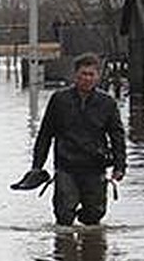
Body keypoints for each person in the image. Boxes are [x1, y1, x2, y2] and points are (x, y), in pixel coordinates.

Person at [29, 52, 126, 226]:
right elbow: (45, 134)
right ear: (75, 75)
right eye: (83, 74)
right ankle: (64, 249)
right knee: (64, 214)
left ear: (97, 76)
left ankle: (90, 245)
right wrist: (37, 166)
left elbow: (117, 136)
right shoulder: (59, 100)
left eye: (91, 74)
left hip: (95, 166)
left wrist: (120, 166)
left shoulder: (107, 103)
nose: (87, 78)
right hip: (67, 165)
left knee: (95, 214)